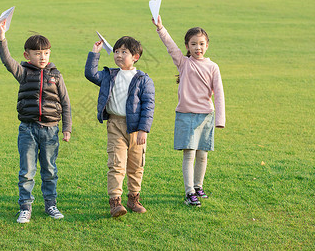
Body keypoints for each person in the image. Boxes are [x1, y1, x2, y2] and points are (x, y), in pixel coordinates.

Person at [0, 20, 72, 223]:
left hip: (50, 131)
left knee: (49, 170)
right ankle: (25, 207)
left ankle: (51, 205)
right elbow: (6, 60)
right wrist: (2, 36)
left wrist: (67, 129)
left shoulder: (56, 75)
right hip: (27, 130)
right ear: (27, 55)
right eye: (38, 53)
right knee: (27, 172)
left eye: (46, 53)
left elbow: (65, 102)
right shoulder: (23, 73)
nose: (42, 57)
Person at [152, 15, 225, 207]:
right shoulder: (184, 63)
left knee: (203, 154)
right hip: (186, 116)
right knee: (189, 154)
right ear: (187, 46)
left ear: (207, 45)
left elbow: (219, 94)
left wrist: (220, 119)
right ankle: (189, 192)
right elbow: (169, 46)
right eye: (193, 44)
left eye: (201, 44)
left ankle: (198, 186)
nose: (198, 48)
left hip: (206, 117)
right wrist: (160, 27)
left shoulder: (213, 67)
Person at [85, 36, 155, 217]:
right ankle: (115, 202)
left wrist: (143, 129)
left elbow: (148, 106)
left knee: (136, 165)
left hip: (136, 128)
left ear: (136, 57)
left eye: (124, 52)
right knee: (116, 164)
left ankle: (133, 199)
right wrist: (95, 53)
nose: (118, 55)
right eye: (116, 51)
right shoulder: (109, 75)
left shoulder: (143, 79)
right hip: (115, 124)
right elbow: (90, 74)